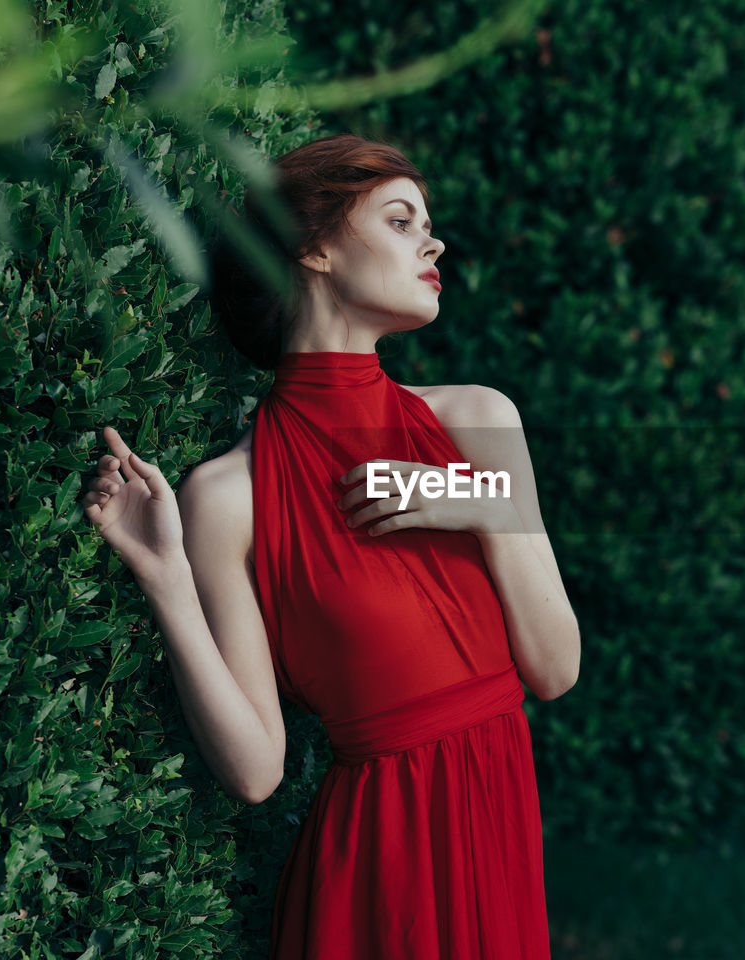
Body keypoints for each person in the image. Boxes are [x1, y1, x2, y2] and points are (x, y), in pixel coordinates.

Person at [79, 132, 581, 958]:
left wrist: (478, 501)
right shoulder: (228, 495)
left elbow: (555, 670)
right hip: (376, 879)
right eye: (400, 218)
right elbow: (255, 771)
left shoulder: (479, 422)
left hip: (497, 836)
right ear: (312, 246)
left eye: (428, 222)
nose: (434, 240)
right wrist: (165, 575)